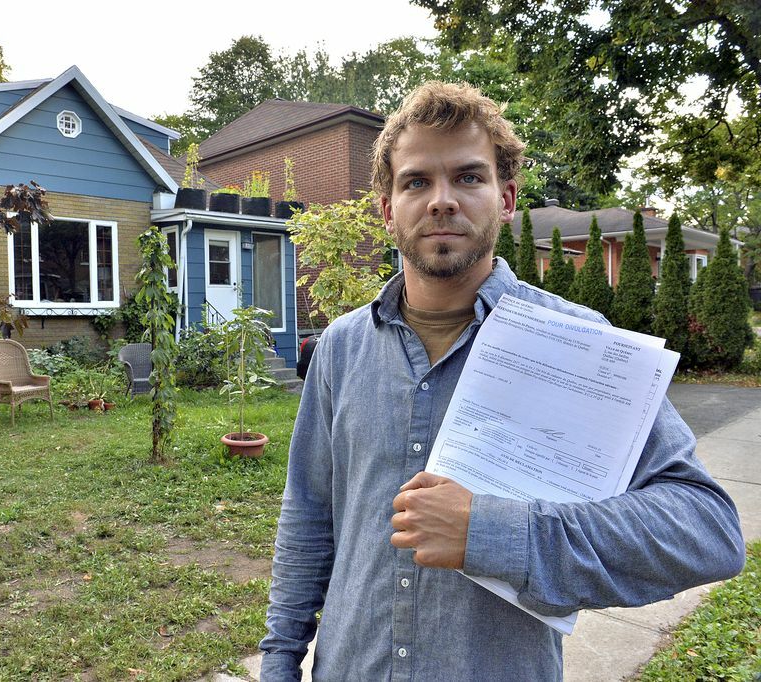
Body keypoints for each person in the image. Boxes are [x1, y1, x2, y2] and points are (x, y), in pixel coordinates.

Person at [259, 81, 745, 681]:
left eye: (468, 177)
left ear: (506, 197)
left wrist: (494, 533)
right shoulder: (340, 347)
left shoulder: (580, 344)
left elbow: (705, 531)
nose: (442, 201)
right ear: (388, 210)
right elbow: (308, 517)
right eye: (416, 182)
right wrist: (279, 662)